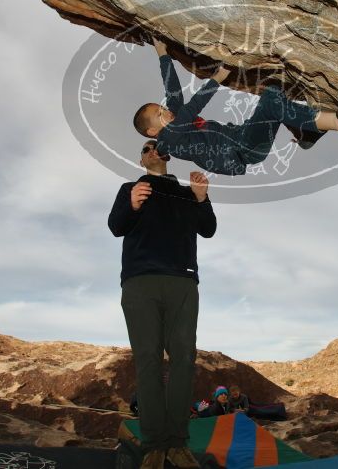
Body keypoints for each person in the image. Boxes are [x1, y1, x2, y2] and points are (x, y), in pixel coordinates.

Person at [108, 140, 217, 469]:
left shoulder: (186, 192)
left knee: (184, 357)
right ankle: (154, 444)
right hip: (140, 281)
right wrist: (132, 205)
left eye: (159, 146)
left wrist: (202, 199)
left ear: (168, 155)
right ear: (141, 158)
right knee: (147, 360)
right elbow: (116, 226)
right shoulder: (131, 187)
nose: (154, 150)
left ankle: (177, 443)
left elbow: (208, 229)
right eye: (147, 147)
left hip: (182, 282)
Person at [132, 38, 338, 176]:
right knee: (270, 104)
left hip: (243, 135)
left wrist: (162, 53)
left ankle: (307, 131)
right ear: (152, 132)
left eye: (160, 108)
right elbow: (191, 108)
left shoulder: (173, 122)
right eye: (158, 114)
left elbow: (172, 90)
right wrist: (217, 78)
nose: (165, 111)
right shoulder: (168, 140)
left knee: (273, 93)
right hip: (243, 149)